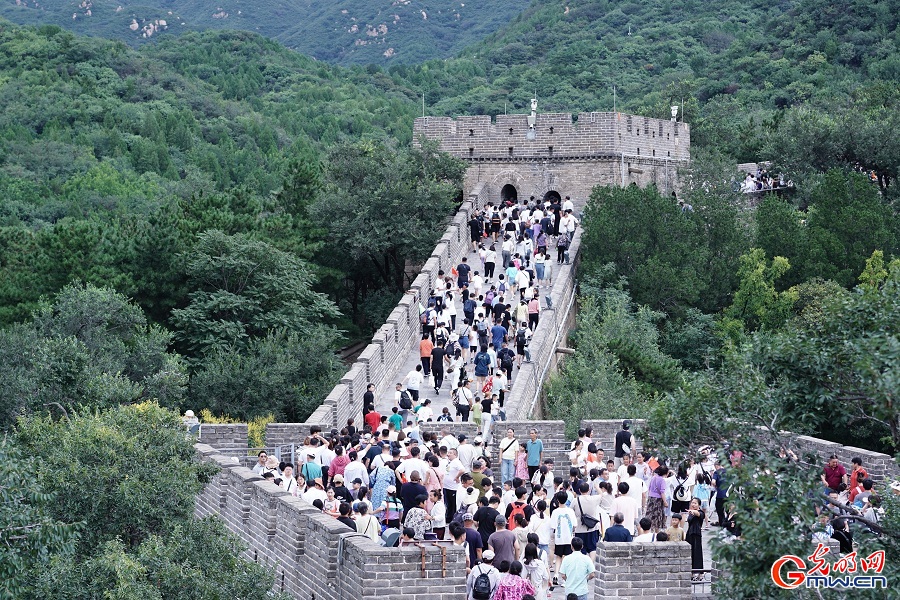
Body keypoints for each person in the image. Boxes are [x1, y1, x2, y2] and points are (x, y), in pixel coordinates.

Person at [550, 491, 576, 583]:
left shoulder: (555, 511)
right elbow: (575, 525)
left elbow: (552, 526)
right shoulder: (570, 511)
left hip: (559, 538)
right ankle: (565, 578)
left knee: (558, 556)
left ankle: (556, 574)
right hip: (568, 538)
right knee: (566, 557)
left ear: (557, 500)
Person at [686, 498, 705, 580]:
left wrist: (693, 511)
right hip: (689, 534)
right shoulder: (690, 513)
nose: (693, 504)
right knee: (690, 553)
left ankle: (700, 572)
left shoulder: (701, 513)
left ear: (699, 505)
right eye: (692, 503)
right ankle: (691, 571)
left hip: (696, 534)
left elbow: (698, 514)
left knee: (697, 553)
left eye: (695, 503)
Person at [646, 465, 668, 532]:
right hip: (658, 500)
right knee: (657, 515)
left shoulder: (653, 478)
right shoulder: (662, 480)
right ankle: (656, 532)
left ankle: (651, 530)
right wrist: (665, 502)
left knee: (650, 515)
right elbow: (662, 492)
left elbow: (649, 488)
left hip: (650, 498)